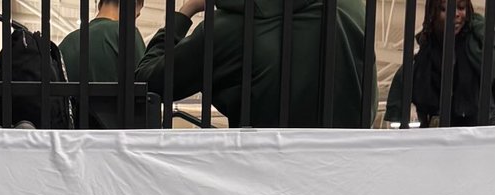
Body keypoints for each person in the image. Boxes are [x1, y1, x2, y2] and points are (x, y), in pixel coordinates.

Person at [136, 0, 376, 128]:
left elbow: (147, 81)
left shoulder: (228, 28)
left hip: (264, 180)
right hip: (345, 177)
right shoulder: (353, 9)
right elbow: (368, 104)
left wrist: (184, 12)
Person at [385, 0, 495, 127]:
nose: (456, 14)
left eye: (461, 8)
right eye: (444, 9)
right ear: (433, 13)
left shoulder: (478, 47)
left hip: (480, 131)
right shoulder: (424, 57)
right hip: (436, 133)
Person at [59, 0, 146, 128]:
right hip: (118, 135)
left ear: (100, 4)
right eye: (137, 14)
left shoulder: (66, 43)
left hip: (72, 135)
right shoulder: (127, 34)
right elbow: (145, 88)